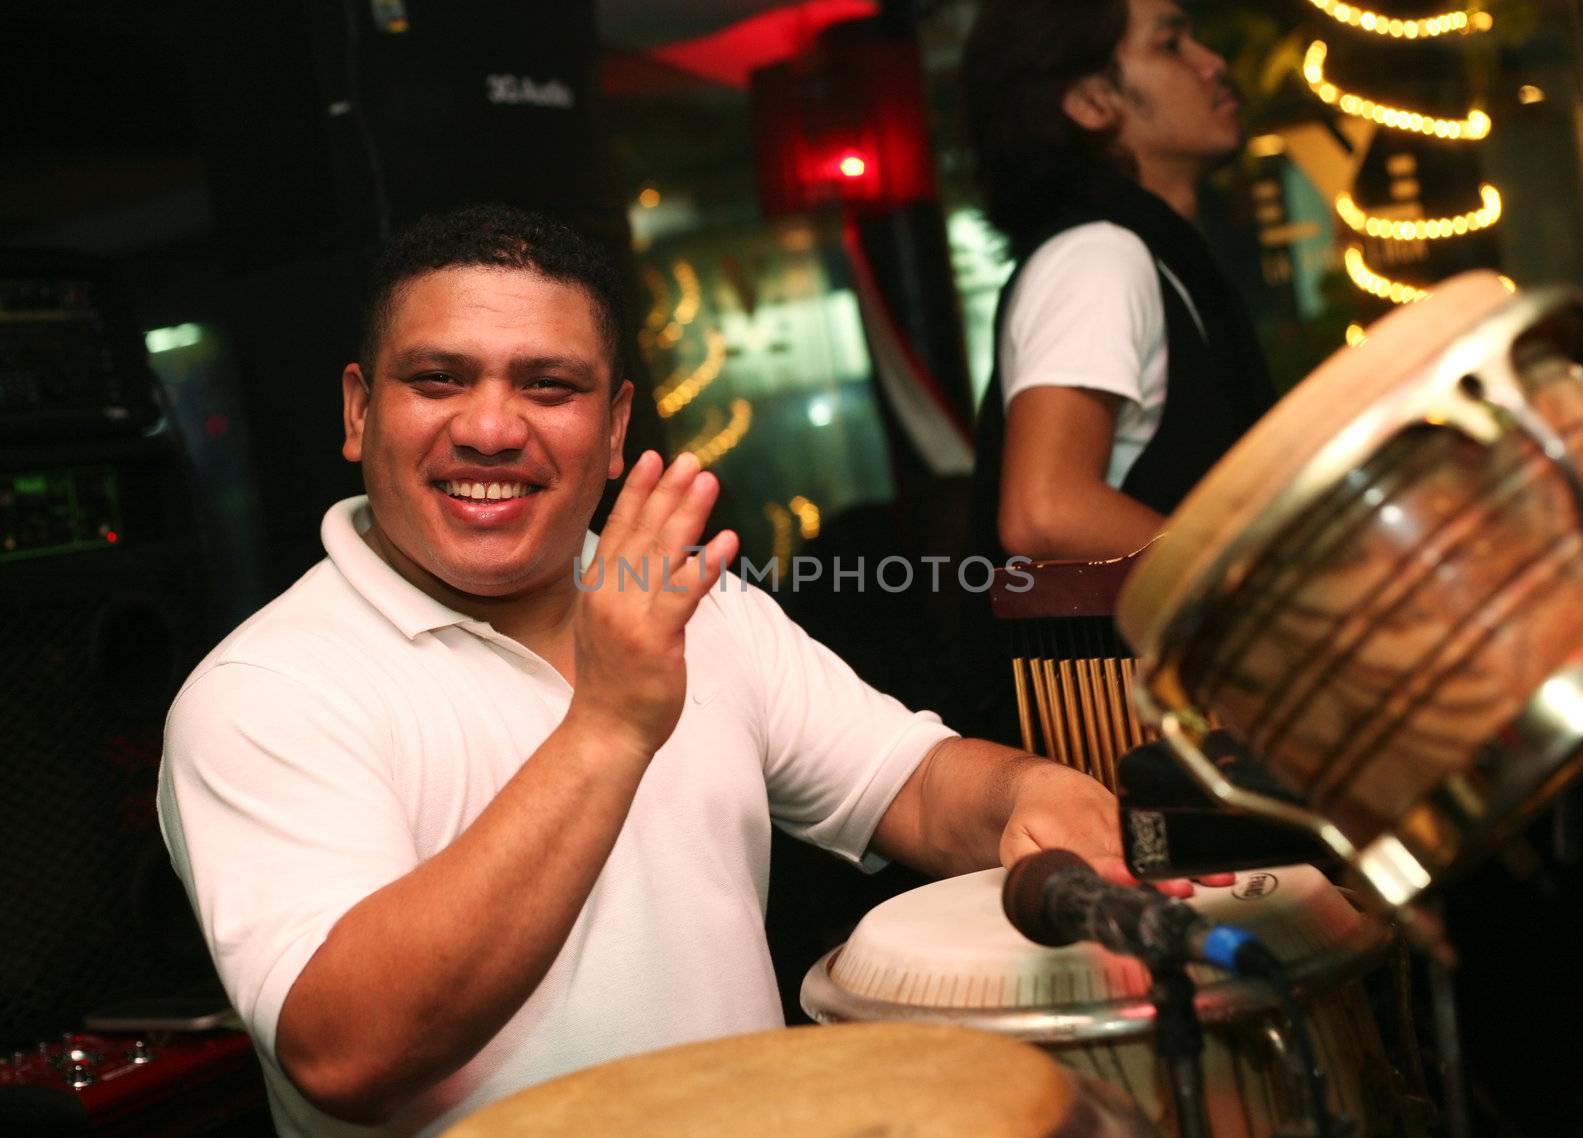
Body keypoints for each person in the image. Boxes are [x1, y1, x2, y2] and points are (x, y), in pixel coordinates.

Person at [157, 205, 1201, 1138]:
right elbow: (347, 1053)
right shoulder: (265, 691)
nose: (488, 426)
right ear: (357, 411)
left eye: (548, 386)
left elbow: (911, 782)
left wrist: (1025, 789)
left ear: (613, 431)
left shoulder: (701, 608)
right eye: (438, 378)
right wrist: (610, 721)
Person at [962, 0, 1279, 562]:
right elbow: (1046, 513)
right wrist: (1249, 585)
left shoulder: (1150, 254)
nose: (1211, 62)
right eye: (1170, 45)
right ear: (1091, 102)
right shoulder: (1098, 257)